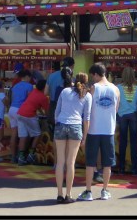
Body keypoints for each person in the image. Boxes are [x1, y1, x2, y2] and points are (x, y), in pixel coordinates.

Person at [78, 63, 119, 201]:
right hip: (109, 129)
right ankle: (105, 190)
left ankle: (88, 191)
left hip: (93, 130)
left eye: (92, 76)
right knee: (108, 163)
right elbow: (116, 109)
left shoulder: (94, 88)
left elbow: (87, 109)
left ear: (95, 74)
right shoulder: (115, 89)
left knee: (90, 162)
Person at [53, 68, 91, 204]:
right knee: (71, 163)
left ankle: (59, 194)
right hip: (75, 126)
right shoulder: (87, 95)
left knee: (60, 162)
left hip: (61, 124)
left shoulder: (65, 91)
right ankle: (68, 194)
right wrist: (85, 136)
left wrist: (58, 122)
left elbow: (57, 111)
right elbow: (86, 119)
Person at [115, 67, 137, 175]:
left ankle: (121, 168)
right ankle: (134, 168)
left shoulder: (118, 87)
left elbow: (116, 102)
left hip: (122, 115)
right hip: (133, 115)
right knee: (133, 142)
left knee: (122, 142)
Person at [16, 79, 50, 164]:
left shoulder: (34, 91)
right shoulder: (43, 97)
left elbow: (35, 104)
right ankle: (31, 154)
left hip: (20, 113)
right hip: (29, 115)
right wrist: (47, 115)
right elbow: (47, 111)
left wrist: (41, 112)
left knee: (23, 136)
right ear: (45, 87)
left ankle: (21, 157)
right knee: (37, 134)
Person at [7, 70, 34, 165]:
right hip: (21, 111)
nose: (30, 79)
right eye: (30, 77)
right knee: (23, 135)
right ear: (27, 76)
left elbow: (11, 98)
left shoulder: (15, 86)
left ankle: (13, 157)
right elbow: (30, 100)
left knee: (14, 134)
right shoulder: (29, 86)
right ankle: (21, 157)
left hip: (12, 109)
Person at [47, 57, 74, 127]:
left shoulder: (51, 76)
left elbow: (45, 92)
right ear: (72, 66)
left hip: (53, 105)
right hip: (67, 108)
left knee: (54, 128)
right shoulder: (72, 79)